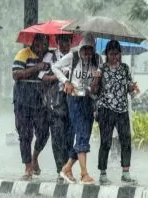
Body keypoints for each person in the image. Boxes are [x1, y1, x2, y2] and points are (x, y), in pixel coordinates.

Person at [52, 33, 102, 184]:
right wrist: (66, 81)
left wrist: (97, 79)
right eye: (84, 49)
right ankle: (84, 173)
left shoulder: (98, 60)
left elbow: (97, 84)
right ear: (80, 48)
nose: (87, 53)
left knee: (84, 136)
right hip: (74, 99)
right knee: (80, 133)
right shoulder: (72, 57)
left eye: (90, 49)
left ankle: (66, 168)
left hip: (89, 100)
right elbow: (55, 67)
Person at [96, 40, 139, 185]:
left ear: (120, 54)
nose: (114, 57)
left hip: (122, 110)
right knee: (106, 142)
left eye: (117, 54)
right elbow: (94, 91)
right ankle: (102, 174)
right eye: (111, 54)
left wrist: (133, 88)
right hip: (106, 110)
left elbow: (129, 88)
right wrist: (96, 78)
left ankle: (125, 172)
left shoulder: (125, 69)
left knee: (125, 140)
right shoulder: (101, 69)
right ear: (106, 54)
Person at [12, 34, 50, 180]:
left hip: (41, 101)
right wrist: (37, 68)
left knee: (44, 133)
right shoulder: (23, 54)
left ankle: (35, 157)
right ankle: (28, 167)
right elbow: (16, 75)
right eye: (39, 41)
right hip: (23, 100)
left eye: (44, 42)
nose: (42, 45)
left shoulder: (49, 56)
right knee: (25, 135)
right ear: (34, 42)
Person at [39, 34, 73, 182]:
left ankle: (67, 168)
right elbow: (42, 77)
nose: (65, 44)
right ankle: (60, 169)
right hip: (54, 101)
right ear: (57, 42)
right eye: (62, 41)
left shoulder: (75, 57)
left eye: (67, 41)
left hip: (72, 100)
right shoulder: (50, 56)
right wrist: (59, 76)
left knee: (69, 136)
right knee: (57, 136)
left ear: (71, 42)